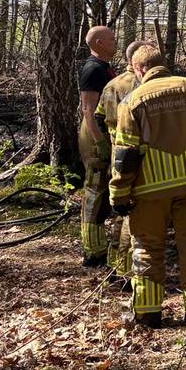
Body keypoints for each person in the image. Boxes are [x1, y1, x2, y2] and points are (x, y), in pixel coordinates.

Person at [108, 46, 186, 328]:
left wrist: (118, 193)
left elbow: (126, 154)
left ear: (139, 70)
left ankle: (147, 312)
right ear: (164, 65)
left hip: (151, 187)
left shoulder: (132, 101)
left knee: (148, 246)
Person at [93, 39, 152, 286]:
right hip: (138, 157)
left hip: (118, 154)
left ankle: (115, 266)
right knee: (133, 216)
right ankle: (128, 274)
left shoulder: (111, 85)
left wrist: (110, 142)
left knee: (120, 212)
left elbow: (97, 117)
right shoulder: (144, 86)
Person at [77, 26, 118, 266]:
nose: (116, 42)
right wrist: (100, 142)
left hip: (104, 133)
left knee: (104, 190)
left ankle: (101, 244)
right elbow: (88, 111)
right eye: (112, 39)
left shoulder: (105, 67)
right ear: (100, 43)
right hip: (94, 134)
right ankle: (93, 251)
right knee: (95, 190)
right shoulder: (93, 69)